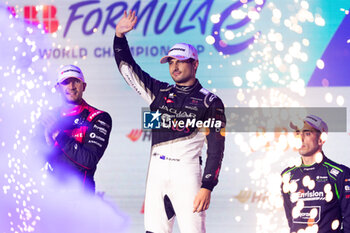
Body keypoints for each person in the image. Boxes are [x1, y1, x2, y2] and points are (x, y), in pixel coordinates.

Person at [113, 10, 226, 233]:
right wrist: (119, 37)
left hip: (187, 173)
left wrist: (207, 186)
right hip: (156, 171)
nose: (174, 66)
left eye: (180, 61)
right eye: (170, 62)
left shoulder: (210, 101)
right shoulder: (159, 92)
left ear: (195, 64)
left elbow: (216, 148)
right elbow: (128, 69)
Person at [40, 64, 112, 193]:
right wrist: (48, 142)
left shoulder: (98, 117)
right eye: (66, 82)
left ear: (84, 86)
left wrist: (57, 134)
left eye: (76, 81)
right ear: (57, 88)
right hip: (49, 196)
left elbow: (88, 160)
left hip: (81, 197)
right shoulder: (48, 117)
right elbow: (35, 158)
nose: (71, 87)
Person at [281, 115, 350, 233]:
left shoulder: (339, 174)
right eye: (298, 133)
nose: (300, 138)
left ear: (321, 139)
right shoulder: (287, 175)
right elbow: (291, 221)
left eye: (307, 133)